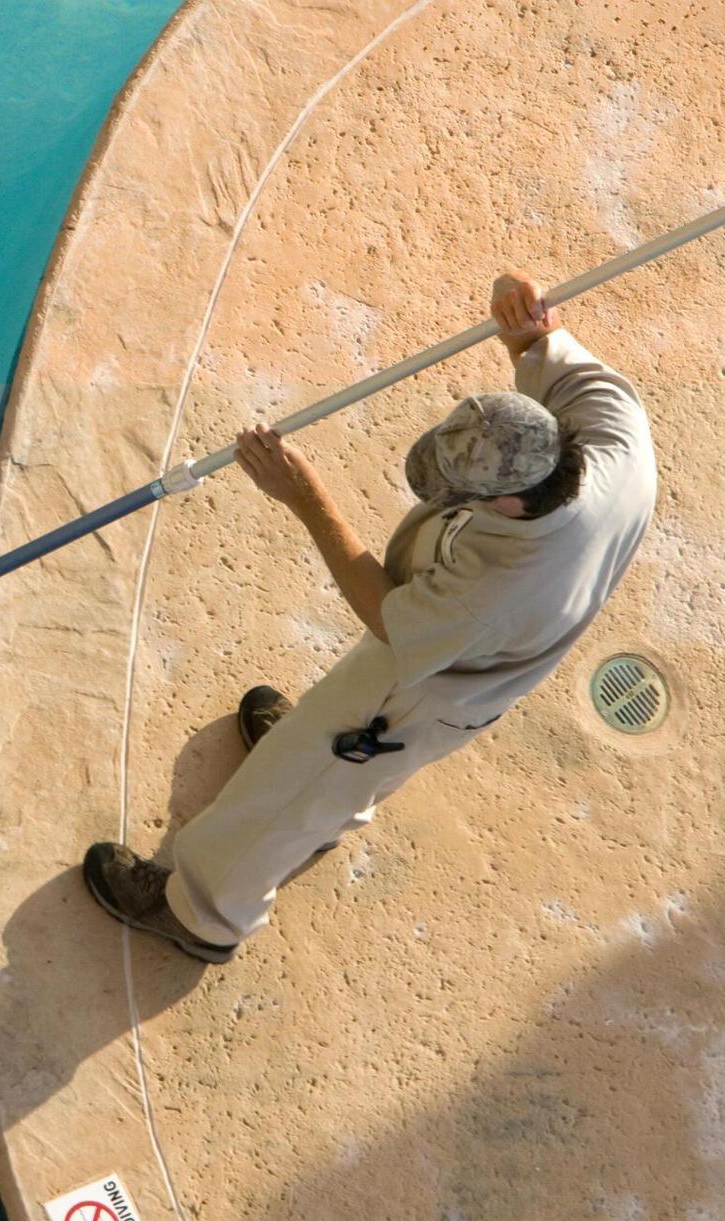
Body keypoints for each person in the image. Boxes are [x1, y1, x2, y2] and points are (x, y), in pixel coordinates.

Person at [83, 271, 658, 962]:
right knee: (328, 760)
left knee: (317, 773)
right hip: (467, 655)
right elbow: (543, 344)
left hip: (427, 688)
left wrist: (302, 496)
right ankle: (317, 782)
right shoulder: (608, 427)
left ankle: (204, 912)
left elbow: (388, 616)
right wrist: (521, 317)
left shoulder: (499, 585)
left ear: (506, 503)